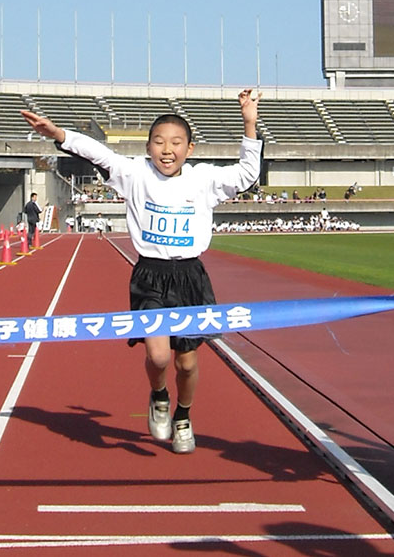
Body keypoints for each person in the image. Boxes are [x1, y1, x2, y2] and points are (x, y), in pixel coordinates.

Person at [20, 89, 261, 454]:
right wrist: (57, 134)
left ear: (190, 149)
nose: (167, 149)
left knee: (188, 361)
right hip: (150, 276)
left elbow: (247, 173)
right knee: (160, 356)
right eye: (159, 142)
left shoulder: (203, 179)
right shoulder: (133, 173)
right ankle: (159, 395)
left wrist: (249, 122)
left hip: (190, 277)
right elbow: (96, 152)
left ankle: (183, 415)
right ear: (148, 147)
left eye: (177, 142)